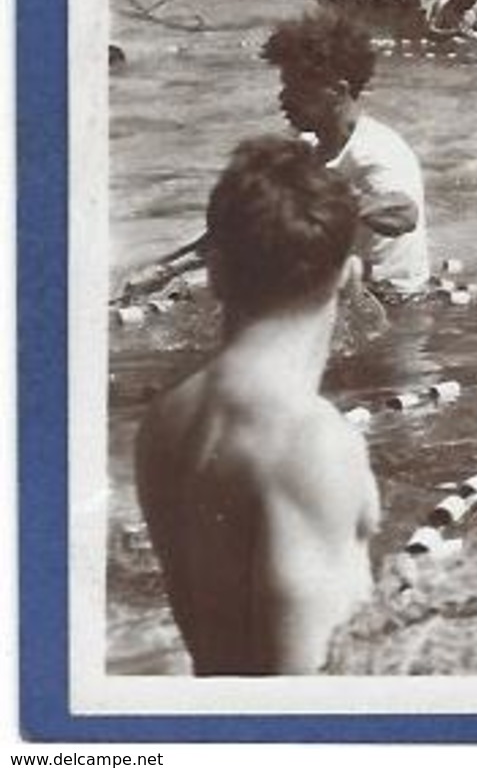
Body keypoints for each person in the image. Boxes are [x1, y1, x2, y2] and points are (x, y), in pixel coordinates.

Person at [137, 135, 380, 674]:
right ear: (349, 275)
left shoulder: (164, 419)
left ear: (217, 273)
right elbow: (299, 687)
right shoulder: (308, 441)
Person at [263, 11, 430, 297]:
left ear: (337, 91)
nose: (282, 98)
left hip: (392, 302)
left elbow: (404, 213)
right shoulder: (307, 144)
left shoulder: (378, 153)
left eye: (295, 88)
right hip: (341, 288)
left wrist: (334, 201)